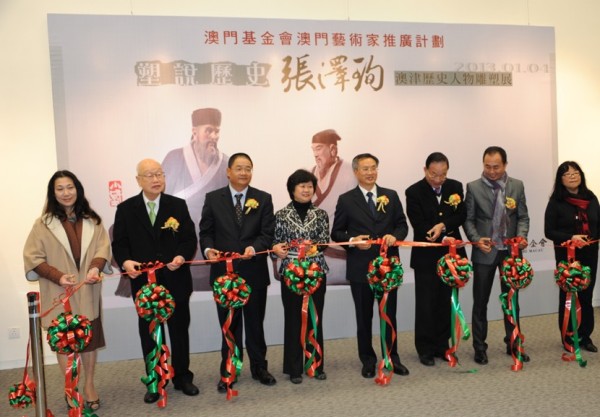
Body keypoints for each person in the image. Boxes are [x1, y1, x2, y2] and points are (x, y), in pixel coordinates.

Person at [111, 159, 199, 403]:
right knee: (150, 333)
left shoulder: (177, 205)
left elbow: (189, 239)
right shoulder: (126, 209)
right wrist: (126, 262)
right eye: (149, 175)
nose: (156, 179)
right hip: (144, 284)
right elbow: (119, 244)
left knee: (179, 330)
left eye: (159, 174)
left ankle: (182, 377)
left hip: (176, 279)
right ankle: (155, 380)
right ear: (138, 180)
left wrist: (181, 256)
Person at [23, 170, 111, 411]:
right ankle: (70, 387)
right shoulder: (43, 224)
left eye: (70, 187)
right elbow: (32, 258)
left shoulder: (93, 220)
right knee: (64, 341)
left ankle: (89, 385)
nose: (66, 193)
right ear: (53, 193)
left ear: (77, 189)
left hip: (87, 290)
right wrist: (58, 276)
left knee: (89, 341)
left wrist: (95, 268)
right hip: (58, 293)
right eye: (60, 189)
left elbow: (103, 249)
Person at [199, 152, 277, 392]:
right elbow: (206, 232)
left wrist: (255, 248)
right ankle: (229, 369)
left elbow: (268, 233)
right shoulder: (213, 198)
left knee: (255, 324)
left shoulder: (263, 198)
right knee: (229, 325)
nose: (244, 172)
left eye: (248, 168)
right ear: (228, 172)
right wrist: (208, 250)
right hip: (224, 274)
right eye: (239, 168)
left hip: (254, 272)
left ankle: (259, 367)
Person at [331, 153, 410, 378]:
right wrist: (353, 241)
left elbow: (402, 225)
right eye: (365, 169)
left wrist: (395, 236)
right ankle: (367, 360)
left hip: (387, 267)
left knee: (389, 315)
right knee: (364, 317)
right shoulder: (346, 199)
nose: (370, 172)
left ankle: (392, 357)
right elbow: (337, 232)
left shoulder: (390, 195)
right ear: (356, 172)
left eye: (373, 167)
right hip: (361, 268)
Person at [463, 146, 530, 365]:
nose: (492, 171)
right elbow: (468, 220)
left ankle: (514, 343)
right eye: (487, 166)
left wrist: (521, 237)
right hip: (485, 253)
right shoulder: (473, 187)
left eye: (496, 167)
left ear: (505, 165)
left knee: (512, 301)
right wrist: (476, 239)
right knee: (480, 302)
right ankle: (480, 348)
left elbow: (523, 217)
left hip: (510, 253)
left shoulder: (517, 185)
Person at [405, 152, 467, 366]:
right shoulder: (413, 191)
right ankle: (425, 349)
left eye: (443, 174)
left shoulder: (455, 187)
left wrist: (444, 226)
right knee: (426, 304)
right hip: (426, 256)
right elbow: (418, 223)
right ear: (425, 170)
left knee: (446, 301)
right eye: (434, 174)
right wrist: (440, 234)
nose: (438, 179)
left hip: (451, 256)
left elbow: (461, 215)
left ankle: (443, 345)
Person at [272, 169, 329, 384]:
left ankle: (315, 364)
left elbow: (324, 241)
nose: (306, 190)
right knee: (293, 319)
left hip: (315, 271)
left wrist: (312, 249)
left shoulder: (321, 214)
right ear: (292, 189)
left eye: (310, 186)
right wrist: (277, 250)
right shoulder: (280, 215)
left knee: (315, 318)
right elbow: (274, 243)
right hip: (291, 273)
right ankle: (294, 368)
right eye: (302, 186)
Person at [162, 107, 229, 290]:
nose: (214, 136)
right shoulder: (174, 157)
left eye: (217, 131)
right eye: (208, 131)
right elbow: (163, 199)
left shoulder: (225, 163)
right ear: (194, 131)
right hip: (182, 234)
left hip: (212, 236)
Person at [544, 161, 599, 352]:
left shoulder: (591, 197)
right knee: (568, 295)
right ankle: (568, 336)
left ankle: (585, 336)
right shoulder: (556, 202)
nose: (573, 176)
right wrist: (571, 237)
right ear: (560, 180)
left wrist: (591, 238)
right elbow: (549, 231)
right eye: (567, 174)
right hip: (567, 255)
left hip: (589, 253)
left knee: (586, 295)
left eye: (576, 173)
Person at [310, 129, 357, 285]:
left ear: (332, 149)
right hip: (314, 248)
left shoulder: (350, 172)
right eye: (313, 149)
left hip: (340, 248)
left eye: (319, 148)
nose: (315, 154)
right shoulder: (310, 173)